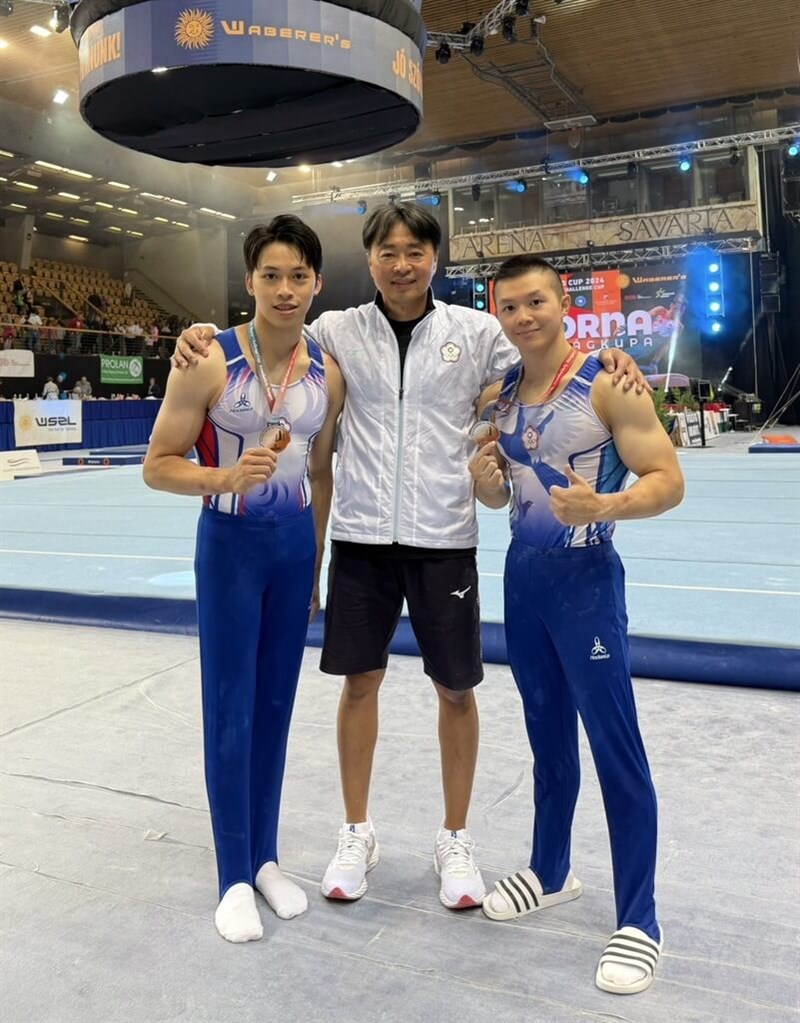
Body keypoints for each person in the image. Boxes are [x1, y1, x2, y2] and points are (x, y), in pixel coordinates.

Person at [171, 203, 646, 911]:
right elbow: (268, 339)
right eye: (388, 252)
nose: (401, 264)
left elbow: (545, 358)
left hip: (445, 538)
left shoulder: (478, 331)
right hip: (360, 539)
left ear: (435, 258)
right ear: (368, 262)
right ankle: (357, 830)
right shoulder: (335, 331)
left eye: (415, 250)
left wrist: (611, 355)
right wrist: (194, 333)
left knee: (457, 691)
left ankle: (454, 836)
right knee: (359, 684)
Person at [469, 254, 684, 994]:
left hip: (587, 580)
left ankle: (640, 918)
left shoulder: (609, 383)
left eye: (537, 301)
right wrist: (484, 485)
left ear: (564, 304)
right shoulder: (500, 396)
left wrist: (607, 506)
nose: (525, 316)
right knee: (545, 734)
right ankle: (550, 868)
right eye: (511, 306)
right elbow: (505, 499)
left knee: (614, 743)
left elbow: (668, 481)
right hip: (523, 580)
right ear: (498, 313)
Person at [143, 215, 345, 943]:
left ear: (317, 283)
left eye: (298, 276)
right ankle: (231, 873)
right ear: (249, 281)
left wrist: (316, 560)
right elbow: (157, 462)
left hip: (292, 547)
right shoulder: (206, 358)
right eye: (271, 275)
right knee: (230, 708)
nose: (285, 290)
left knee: (276, 707)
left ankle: (264, 857)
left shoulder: (328, 369)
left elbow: (319, 471)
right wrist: (226, 475)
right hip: (228, 543)